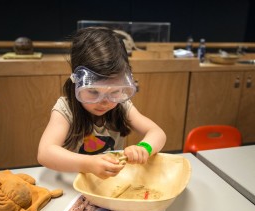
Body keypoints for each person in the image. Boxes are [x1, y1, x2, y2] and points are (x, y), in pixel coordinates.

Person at [37, 27, 166, 179]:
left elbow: (157, 133)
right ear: (77, 83)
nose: (104, 102)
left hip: (111, 183)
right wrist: (89, 164)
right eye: (93, 92)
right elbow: (45, 153)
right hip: (75, 182)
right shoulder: (66, 109)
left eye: (114, 92)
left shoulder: (122, 106)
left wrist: (143, 148)